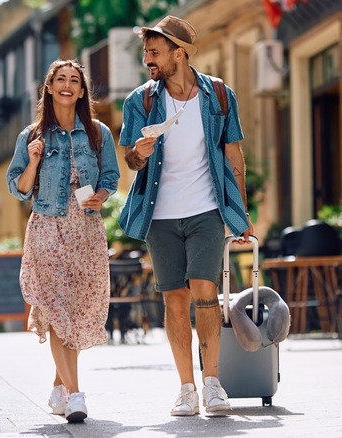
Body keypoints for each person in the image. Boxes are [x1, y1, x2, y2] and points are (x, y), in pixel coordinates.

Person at [118, 16, 254, 416]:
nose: (148, 60)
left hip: (205, 210)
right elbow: (130, 159)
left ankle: (213, 383)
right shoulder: (139, 101)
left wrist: (240, 212)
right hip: (160, 215)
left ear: (179, 53)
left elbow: (233, 155)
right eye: (146, 52)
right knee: (175, 300)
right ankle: (186, 389)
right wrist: (137, 155)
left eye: (155, 52)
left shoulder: (218, 96)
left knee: (205, 293)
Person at [6, 59, 120, 423]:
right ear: (50, 87)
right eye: (61, 80)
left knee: (75, 308)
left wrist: (101, 195)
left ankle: (58, 386)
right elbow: (19, 188)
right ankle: (74, 394)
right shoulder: (32, 136)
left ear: (82, 91)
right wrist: (34, 161)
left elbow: (112, 176)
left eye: (75, 80)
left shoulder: (97, 132)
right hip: (48, 226)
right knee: (56, 308)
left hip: (85, 228)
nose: (68, 85)